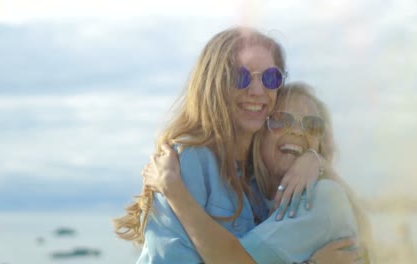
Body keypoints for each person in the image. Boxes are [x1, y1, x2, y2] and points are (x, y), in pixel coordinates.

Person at [114, 27, 357, 263]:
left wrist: (317, 160)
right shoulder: (186, 162)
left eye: (270, 78)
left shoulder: (262, 178)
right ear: (213, 84)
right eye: (240, 77)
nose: (257, 90)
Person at [142, 82, 373, 263]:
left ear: (320, 141)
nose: (297, 132)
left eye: (312, 125)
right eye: (282, 120)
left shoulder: (321, 197)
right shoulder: (256, 199)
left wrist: (173, 188)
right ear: (259, 135)